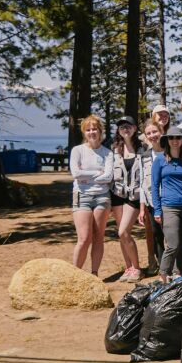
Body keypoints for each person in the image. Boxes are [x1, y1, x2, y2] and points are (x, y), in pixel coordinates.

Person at [69, 115, 113, 276]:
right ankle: (76, 274)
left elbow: (108, 177)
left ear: (100, 131)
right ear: (84, 133)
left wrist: (86, 175)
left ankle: (94, 272)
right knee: (84, 238)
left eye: (94, 129)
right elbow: (76, 173)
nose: (91, 132)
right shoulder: (77, 151)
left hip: (102, 197)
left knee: (98, 236)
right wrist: (97, 173)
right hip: (81, 195)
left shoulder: (107, 153)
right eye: (88, 130)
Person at [152, 126, 182, 282]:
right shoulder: (160, 160)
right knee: (173, 244)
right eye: (171, 138)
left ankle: (178, 273)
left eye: (178, 138)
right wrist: (157, 210)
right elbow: (155, 186)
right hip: (168, 207)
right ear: (167, 141)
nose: (175, 141)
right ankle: (164, 273)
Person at [109, 117, 143, 282]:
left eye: (128, 126)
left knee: (124, 231)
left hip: (134, 197)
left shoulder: (142, 149)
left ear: (135, 128)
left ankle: (137, 268)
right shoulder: (114, 149)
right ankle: (128, 267)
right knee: (121, 235)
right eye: (122, 127)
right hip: (117, 195)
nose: (125, 129)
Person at [137, 119, 164, 276]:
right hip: (152, 202)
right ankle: (162, 267)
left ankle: (175, 266)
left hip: (169, 200)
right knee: (157, 235)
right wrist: (142, 208)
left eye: (155, 131)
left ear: (161, 131)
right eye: (149, 133)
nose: (152, 135)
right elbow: (141, 181)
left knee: (172, 235)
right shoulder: (144, 156)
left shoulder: (169, 151)